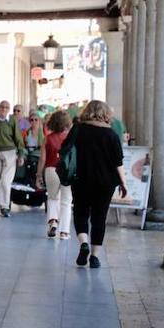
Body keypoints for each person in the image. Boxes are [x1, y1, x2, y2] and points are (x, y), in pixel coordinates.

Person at [67, 100, 128, 269]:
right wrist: (123, 183)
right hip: (105, 182)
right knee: (99, 218)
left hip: (81, 179)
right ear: (106, 114)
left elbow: (65, 150)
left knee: (80, 212)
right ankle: (94, 257)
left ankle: (83, 243)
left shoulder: (78, 130)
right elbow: (118, 162)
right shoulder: (111, 135)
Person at [0, 100, 25, 217]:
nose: (4, 109)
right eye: (2, 107)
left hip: (10, 152)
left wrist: (21, 154)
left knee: (6, 182)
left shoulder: (12, 120)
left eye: (7, 107)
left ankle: (4, 207)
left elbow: (18, 138)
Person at [37, 110, 73, 239]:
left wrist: (38, 175)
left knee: (52, 198)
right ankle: (64, 232)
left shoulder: (47, 139)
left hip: (51, 170)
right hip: (67, 171)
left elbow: (42, 159)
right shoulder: (70, 138)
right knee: (66, 202)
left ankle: (53, 221)